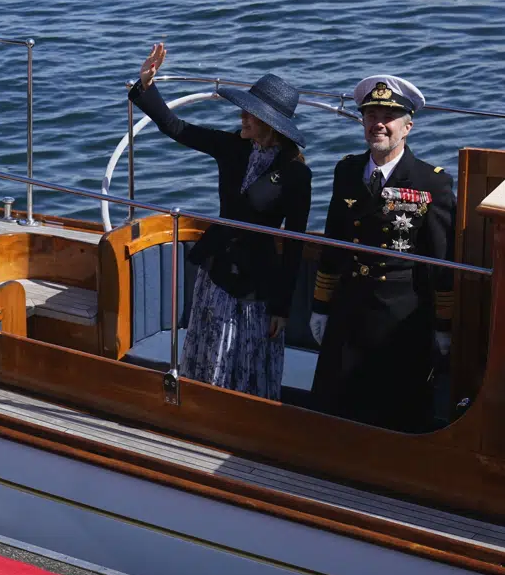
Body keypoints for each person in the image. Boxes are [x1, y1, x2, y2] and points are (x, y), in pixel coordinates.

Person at [130, 43, 312, 399]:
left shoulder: (296, 174)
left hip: (257, 282)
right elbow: (177, 127)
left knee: (247, 359)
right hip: (217, 271)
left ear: (270, 125)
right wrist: (147, 87)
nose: (242, 117)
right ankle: (204, 408)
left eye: (250, 114)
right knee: (210, 351)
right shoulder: (233, 145)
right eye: (244, 110)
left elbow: (295, 242)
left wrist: (282, 309)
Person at [308, 75, 456, 432]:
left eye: (388, 117)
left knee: (396, 411)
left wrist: (444, 325)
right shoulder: (346, 171)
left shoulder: (431, 182)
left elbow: (441, 261)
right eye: (371, 114)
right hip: (350, 305)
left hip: (400, 315)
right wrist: (321, 305)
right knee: (333, 406)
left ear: (407, 127)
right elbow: (334, 240)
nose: (378, 124)